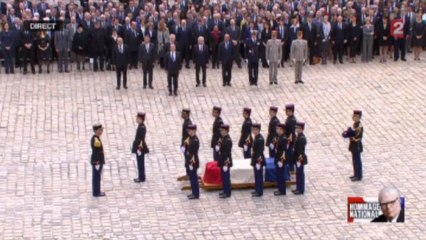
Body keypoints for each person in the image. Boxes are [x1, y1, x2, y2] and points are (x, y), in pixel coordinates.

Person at [131, 112, 149, 183]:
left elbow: (141, 139)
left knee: (140, 163)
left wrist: (139, 148)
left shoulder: (141, 128)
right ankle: (141, 176)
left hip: (140, 148)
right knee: (140, 163)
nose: (136, 119)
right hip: (140, 147)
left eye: (137, 118)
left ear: (141, 119)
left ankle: (141, 177)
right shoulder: (141, 126)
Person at [292, 121, 307, 195]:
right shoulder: (298, 136)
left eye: (298, 128)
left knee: (300, 174)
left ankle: (301, 189)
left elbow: (301, 151)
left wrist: (299, 160)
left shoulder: (301, 138)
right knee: (298, 174)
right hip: (297, 158)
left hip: (300, 159)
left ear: (301, 129)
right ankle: (298, 188)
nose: (296, 129)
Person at [186, 124, 200, 200]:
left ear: (194, 131)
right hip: (191, 161)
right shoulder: (191, 138)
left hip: (193, 162)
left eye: (190, 131)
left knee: (194, 178)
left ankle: (196, 194)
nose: (188, 132)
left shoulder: (195, 140)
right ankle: (193, 192)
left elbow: (194, 154)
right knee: (192, 178)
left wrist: (191, 163)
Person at [251, 123, 265, 197]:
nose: (254, 131)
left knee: (259, 176)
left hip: (258, 159)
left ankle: (259, 191)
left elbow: (260, 152)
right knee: (256, 175)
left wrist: (258, 162)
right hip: (255, 158)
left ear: (259, 130)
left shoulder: (260, 139)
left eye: (255, 130)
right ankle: (257, 189)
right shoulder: (256, 137)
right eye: (253, 130)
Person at [91, 123, 106, 197]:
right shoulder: (95, 139)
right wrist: (97, 162)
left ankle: (97, 191)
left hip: (98, 160)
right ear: (96, 131)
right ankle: (96, 192)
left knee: (97, 177)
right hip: (97, 161)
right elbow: (97, 152)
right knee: (96, 177)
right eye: (100, 130)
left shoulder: (96, 138)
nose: (101, 131)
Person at [348, 110, 364, 182]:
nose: (354, 118)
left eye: (355, 117)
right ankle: (355, 174)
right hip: (353, 145)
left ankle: (358, 175)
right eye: (353, 116)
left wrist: (350, 136)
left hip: (357, 145)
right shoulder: (355, 124)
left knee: (357, 160)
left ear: (359, 117)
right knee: (354, 160)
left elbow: (357, 137)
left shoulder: (359, 127)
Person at [218, 124, 232, 199]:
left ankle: (227, 192)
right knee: (224, 177)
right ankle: (224, 190)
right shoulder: (224, 138)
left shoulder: (228, 140)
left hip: (225, 161)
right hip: (222, 160)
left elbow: (227, 154)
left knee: (226, 178)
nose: (221, 132)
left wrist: (226, 164)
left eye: (222, 130)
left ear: (226, 131)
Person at [274, 123, 288, 196]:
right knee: (279, 175)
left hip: (281, 160)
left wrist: (281, 161)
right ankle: (280, 189)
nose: (277, 130)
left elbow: (284, 152)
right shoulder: (280, 137)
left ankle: (282, 190)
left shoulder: (284, 139)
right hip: (278, 159)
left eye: (278, 129)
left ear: (281, 130)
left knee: (281, 175)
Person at [284, 104, 297, 172]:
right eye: (286, 111)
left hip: (290, 140)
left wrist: (288, 142)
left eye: (288, 111)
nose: (287, 112)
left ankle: (291, 169)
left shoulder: (292, 120)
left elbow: (291, 133)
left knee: (290, 154)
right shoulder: (289, 118)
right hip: (288, 139)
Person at [180, 109, 192, 177]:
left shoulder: (188, 124)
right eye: (182, 113)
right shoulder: (185, 121)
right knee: (186, 158)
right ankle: (188, 172)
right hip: (185, 142)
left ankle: (189, 173)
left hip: (187, 144)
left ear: (187, 114)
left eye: (183, 113)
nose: (182, 114)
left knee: (188, 158)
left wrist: (184, 145)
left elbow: (188, 136)